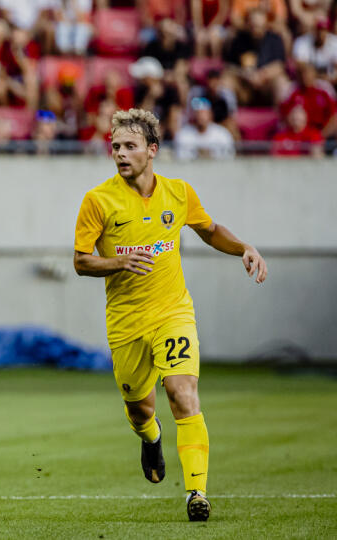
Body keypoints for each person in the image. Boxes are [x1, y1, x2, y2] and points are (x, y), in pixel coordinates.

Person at [73, 108, 268, 523]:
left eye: (129, 146)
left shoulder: (179, 193)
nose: (120, 154)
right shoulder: (98, 200)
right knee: (140, 408)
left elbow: (209, 229)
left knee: (182, 392)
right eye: (116, 147)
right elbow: (81, 261)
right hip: (126, 323)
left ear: (152, 150)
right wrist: (118, 263)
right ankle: (151, 437)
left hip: (173, 312)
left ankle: (197, 492)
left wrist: (245, 247)